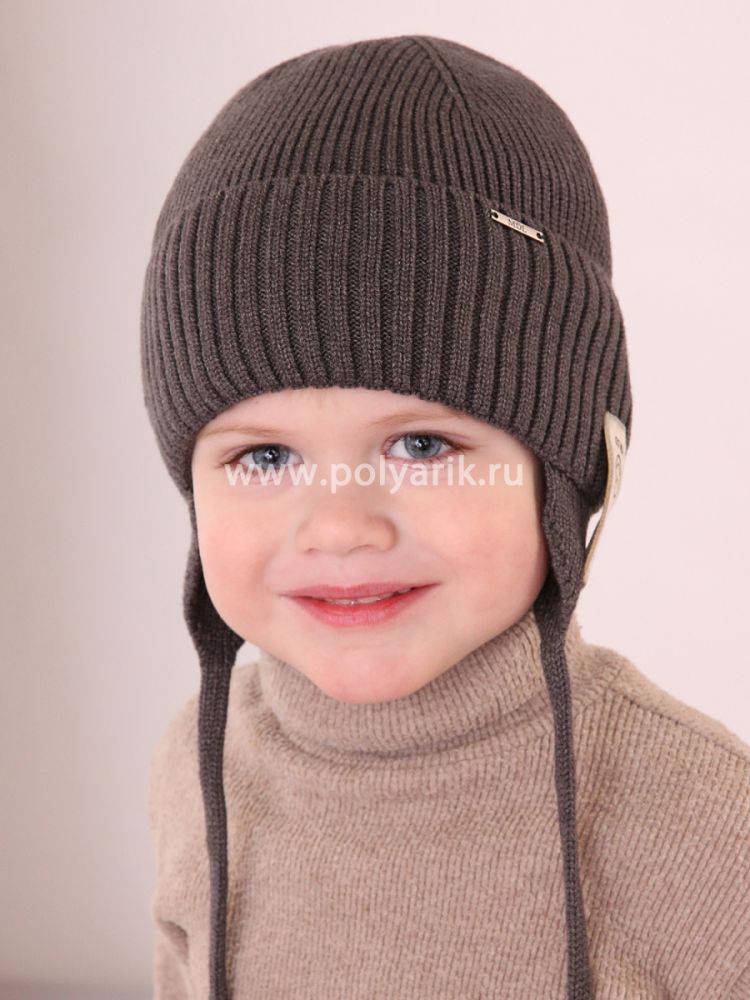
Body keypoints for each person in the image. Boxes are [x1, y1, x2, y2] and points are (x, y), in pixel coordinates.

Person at [141, 34, 750, 1000]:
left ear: (573, 470)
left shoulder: (705, 822)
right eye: (264, 456)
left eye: (422, 445)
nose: (339, 527)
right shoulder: (197, 768)